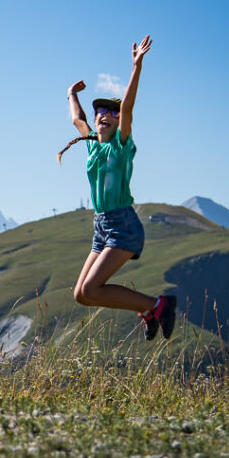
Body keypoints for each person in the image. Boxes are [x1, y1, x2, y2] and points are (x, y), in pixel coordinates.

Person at [57, 35, 177, 340]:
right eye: (101, 111)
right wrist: (71, 93)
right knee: (81, 295)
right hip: (101, 227)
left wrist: (136, 67)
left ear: (120, 121)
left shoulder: (120, 147)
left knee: (92, 288)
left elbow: (129, 107)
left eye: (113, 112)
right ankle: (148, 311)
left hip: (123, 225)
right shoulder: (92, 145)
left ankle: (158, 305)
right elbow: (77, 118)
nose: (105, 115)